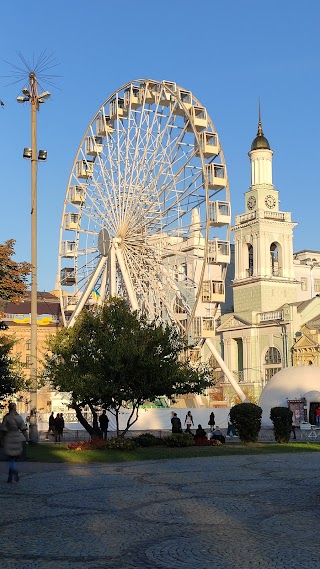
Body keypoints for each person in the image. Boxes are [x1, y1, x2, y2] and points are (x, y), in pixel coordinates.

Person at [0, 402, 28, 483]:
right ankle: (13, 473)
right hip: (17, 439)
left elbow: (3, 430)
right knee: (15, 458)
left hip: (8, 439)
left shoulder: (7, 418)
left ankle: (11, 475)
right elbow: (23, 429)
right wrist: (27, 439)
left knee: (11, 459)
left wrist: (1, 439)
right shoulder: (18, 418)